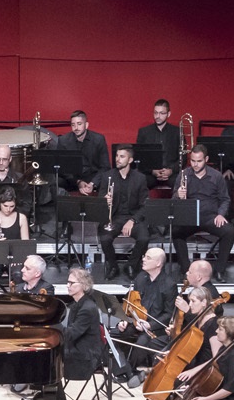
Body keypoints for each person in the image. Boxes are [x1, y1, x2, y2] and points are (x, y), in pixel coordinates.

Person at [25, 268, 102, 400]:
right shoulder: (77, 304)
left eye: (71, 283)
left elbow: (71, 334)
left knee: (49, 362)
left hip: (85, 357)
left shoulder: (87, 308)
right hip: (77, 348)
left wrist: (50, 322)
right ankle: (45, 395)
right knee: (41, 354)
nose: (67, 285)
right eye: (68, 282)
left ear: (83, 285)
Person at [111, 247, 178, 381]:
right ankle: (123, 370)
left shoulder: (170, 285)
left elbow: (169, 314)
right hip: (137, 322)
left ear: (158, 263)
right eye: (144, 256)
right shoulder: (140, 278)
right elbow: (132, 303)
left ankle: (129, 372)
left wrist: (150, 325)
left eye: (148, 258)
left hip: (155, 328)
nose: (143, 260)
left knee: (142, 342)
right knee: (114, 335)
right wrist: (124, 320)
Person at [173, 143, 234, 280]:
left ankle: (219, 270)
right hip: (189, 216)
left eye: (199, 161)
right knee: (175, 231)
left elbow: (225, 199)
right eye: (192, 161)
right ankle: (185, 269)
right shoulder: (183, 174)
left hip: (210, 217)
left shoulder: (216, 176)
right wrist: (178, 195)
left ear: (206, 159)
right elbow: (173, 200)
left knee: (229, 231)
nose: (195, 164)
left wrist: (220, 214)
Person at [94, 145, 151, 278]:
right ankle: (113, 266)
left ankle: (131, 265)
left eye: (122, 156)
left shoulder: (140, 178)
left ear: (130, 160)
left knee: (144, 238)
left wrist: (132, 220)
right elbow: (99, 201)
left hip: (133, 218)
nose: (117, 159)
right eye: (117, 156)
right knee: (105, 238)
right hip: (113, 217)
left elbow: (145, 205)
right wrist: (104, 200)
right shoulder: (107, 176)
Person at [134, 98, 182, 189]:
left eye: (162, 113)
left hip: (172, 174)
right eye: (155, 113)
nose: (157, 116)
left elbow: (183, 157)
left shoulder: (177, 132)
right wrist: (153, 171)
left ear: (168, 114)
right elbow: (139, 157)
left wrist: (171, 170)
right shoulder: (144, 132)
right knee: (138, 181)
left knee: (182, 183)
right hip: (150, 173)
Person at [62, 111, 111, 194]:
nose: (76, 128)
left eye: (79, 124)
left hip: (93, 177)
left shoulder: (98, 139)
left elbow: (105, 166)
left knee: (108, 180)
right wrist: (78, 182)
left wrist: (93, 183)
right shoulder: (63, 140)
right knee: (55, 181)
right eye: (73, 125)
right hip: (73, 179)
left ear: (86, 125)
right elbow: (62, 167)